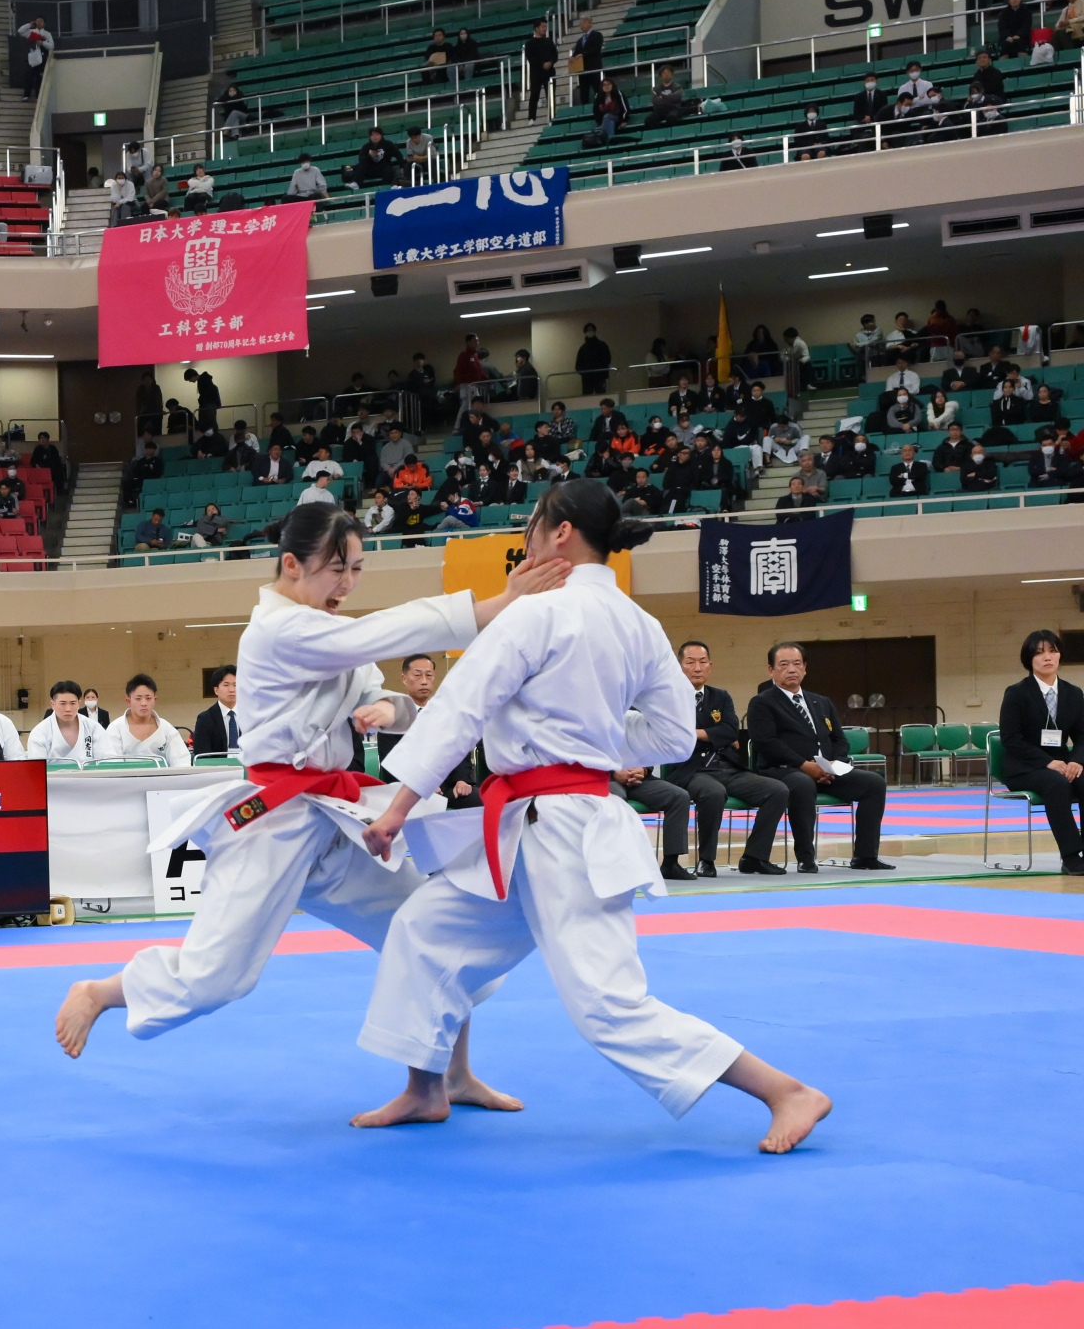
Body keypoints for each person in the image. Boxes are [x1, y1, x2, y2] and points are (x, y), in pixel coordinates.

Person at [351, 481, 832, 1153]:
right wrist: (596, 739)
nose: (526, 538)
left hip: (562, 829)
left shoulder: (537, 612)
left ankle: (786, 1091)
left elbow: (462, 707)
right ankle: (430, 1086)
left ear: (561, 533)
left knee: (607, 1003)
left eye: (532, 525)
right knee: (424, 931)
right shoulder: (640, 623)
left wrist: (398, 807)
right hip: (537, 823)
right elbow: (672, 736)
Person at [53, 502, 565, 1113]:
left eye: (357, 569)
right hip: (273, 821)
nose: (347, 583)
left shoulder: (327, 625)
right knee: (217, 976)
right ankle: (98, 992)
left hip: (335, 818)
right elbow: (375, 636)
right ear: (292, 565)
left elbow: (382, 690)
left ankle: (442, 1080)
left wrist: (388, 709)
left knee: (430, 929)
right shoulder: (277, 630)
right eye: (335, 569)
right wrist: (491, 606)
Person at [745, 641, 892, 872]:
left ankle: (865, 856)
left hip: (826, 771)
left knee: (874, 783)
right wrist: (804, 765)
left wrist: (834, 764)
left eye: (797, 664)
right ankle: (806, 857)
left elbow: (839, 739)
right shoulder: (762, 702)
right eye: (784, 665)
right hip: (784, 770)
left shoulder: (821, 702)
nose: (791, 670)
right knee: (803, 784)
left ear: (805, 668)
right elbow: (766, 742)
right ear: (771, 670)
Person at [662, 640, 792, 875]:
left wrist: (696, 733)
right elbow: (671, 734)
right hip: (691, 770)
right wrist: (715, 735)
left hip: (727, 766)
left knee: (777, 790)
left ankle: (754, 857)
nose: (697, 668)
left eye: (703, 662)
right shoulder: (668, 697)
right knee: (714, 793)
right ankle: (707, 860)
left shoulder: (720, 697)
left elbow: (732, 730)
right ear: (679, 666)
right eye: (690, 662)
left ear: (710, 666)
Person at [997, 629, 1084, 874]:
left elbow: (1082, 736)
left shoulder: (1074, 693)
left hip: (1062, 764)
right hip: (1023, 767)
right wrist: (1047, 762)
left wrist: (1077, 761)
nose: (1047, 657)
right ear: (1029, 659)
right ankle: (1071, 856)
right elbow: (1010, 739)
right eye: (1039, 653)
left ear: (1060, 655)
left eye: (1052, 651)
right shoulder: (1016, 693)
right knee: (1057, 783)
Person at [375, 654, 477, 803]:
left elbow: (459, 752)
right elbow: (391, 762)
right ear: (404, 678)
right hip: (409, 790)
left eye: (429, 675)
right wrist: (420, 785)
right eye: (417, 675)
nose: (424, 681)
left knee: (482, 801)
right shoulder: (395, 718)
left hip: (450, 788)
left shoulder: (447, 714)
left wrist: (461, 780)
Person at [101, 674, 191, 766]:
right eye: (138, 699)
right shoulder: (116, 728)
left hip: (161, 775)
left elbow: (181, 760)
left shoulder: (166, 728)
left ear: (154, 700)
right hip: (126, 775)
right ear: (128, 701)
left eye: (148, 698)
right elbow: (111, 764)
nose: (144, 703)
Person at [26, 680, 104, 763]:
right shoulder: (40, 732)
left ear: (79, 703)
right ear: (53, 704)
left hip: (89, 772)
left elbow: (105, 759)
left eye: (73, 703)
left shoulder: (93, 728)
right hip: (51, 772)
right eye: (63, 704)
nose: (68, 709)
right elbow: (37, 766)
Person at [190, 665, 242, 757]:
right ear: (216, 690)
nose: (232, 690)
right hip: (219, 765)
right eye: (226, 685)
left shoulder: (251, 716)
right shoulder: (205, 719)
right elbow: (202, 754)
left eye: (235, 685)